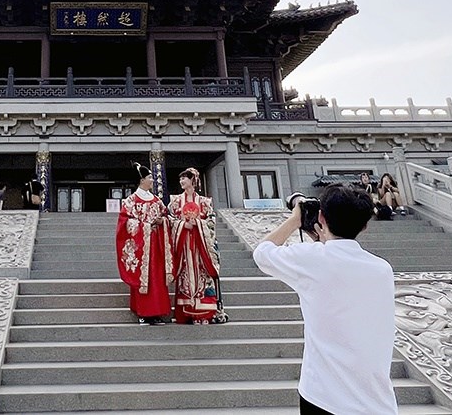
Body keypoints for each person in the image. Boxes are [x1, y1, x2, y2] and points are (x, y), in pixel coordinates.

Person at [252, 185, 398, 415]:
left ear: (321, 217)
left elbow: (262, 253)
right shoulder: (383, 269)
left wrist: (295, 220)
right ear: (365, 225)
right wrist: (325, 242)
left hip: (323, 397)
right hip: (377, 402)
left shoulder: (311, 259)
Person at [115, 163, 173, 325]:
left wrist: (162, 221)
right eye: (149, 177)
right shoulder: (131, 201)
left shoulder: (156, 201)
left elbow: (166, 216)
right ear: (142, 180)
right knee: (143, 278)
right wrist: (146, 226)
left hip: (156, 246)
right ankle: (144, 313)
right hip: (141, 247)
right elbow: (125, 223)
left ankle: (157, 312)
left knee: (157, 279)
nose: (152, 180)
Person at [168, 167, 222, 324]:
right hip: (184, 245)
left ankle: (206, 313)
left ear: (192, 180)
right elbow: (170, 219)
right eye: (180, 179)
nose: (181, 181)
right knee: (185, 276)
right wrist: (183, 225)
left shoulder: (205, 202)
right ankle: (188, 313)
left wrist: (198, 224)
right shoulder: (175, 201)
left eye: (184, 178)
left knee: (203, 276)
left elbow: (211, 222)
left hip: (201, 246)